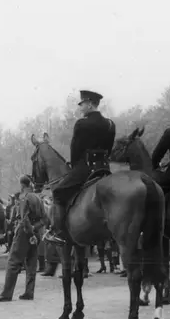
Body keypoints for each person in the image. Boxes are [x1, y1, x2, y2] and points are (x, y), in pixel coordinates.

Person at [44, 90, 116, 246]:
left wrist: (75, 166)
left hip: (86, 168)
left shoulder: (81, 124)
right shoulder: (110, 124)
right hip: (104, 168)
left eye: (82, 104)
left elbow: (75, 149)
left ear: (90, 104)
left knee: (58, 192)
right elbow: (109, 149)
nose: (80, 107)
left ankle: (58, 232)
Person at [0, 175, 45, 302]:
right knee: (31, 262)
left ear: (21, 185)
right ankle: (29, 292)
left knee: (13, 262)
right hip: (36, 232)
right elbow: (45, 219)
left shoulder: (23, 197)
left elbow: (24, 218)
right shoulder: (38, 198)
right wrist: (35, 229)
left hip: (24, 232)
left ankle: (6, 293)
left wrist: (30, 233)